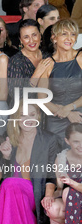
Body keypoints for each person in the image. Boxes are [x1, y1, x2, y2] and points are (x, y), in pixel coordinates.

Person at [0, 103, 56, 224]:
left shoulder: (48, 140)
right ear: (16, 118)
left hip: (34, 192)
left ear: (38, 116)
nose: (27, 119)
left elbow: (51, 172)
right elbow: (3, 170)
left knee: (10, 183)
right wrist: (7, 157)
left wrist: (49, 194)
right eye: (22, 115)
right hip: (10, 192)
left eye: (32, 115)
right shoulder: (10, 139)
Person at [38, 19, 82, 149]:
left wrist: (70, 107)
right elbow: (42, 99)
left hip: (79, 116)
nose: (69, 38)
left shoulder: (80, 57)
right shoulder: (47, 64)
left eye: (73, 34)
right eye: (64, 34)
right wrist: (66, 112)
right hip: (55, 120)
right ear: (54, 38)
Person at [44, 123, 82, 224]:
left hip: (76, 196)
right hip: (73, 202)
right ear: (67, 141)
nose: (81, 145)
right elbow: (59, 189)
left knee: (69, 192)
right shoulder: (61, 158)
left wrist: (73, 184)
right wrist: (49, 210)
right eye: (76, 141)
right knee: (59, 200)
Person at [8, 19, 53, 108]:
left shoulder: (48, 56)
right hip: (23, 113)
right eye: (26, 37)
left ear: (40, 36)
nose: (31, 40)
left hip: (46, 110)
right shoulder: (16, 61)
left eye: (34, 35)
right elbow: (16, 95)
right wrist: (37, 73)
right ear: (21, 40)